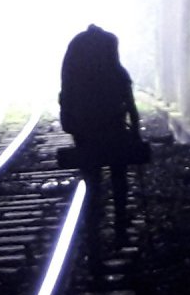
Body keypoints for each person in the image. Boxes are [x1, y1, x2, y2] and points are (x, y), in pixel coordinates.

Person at [58, 23, 142, 239]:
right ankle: (121, 224)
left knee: (92, 179)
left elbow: (65, 99)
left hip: (85, 132)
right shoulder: (116, 71)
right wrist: (135, 133)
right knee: (119, 177)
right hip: (114, 129)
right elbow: (130, 103)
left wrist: (71, 125)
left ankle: (93, 225)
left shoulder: (75, 70)